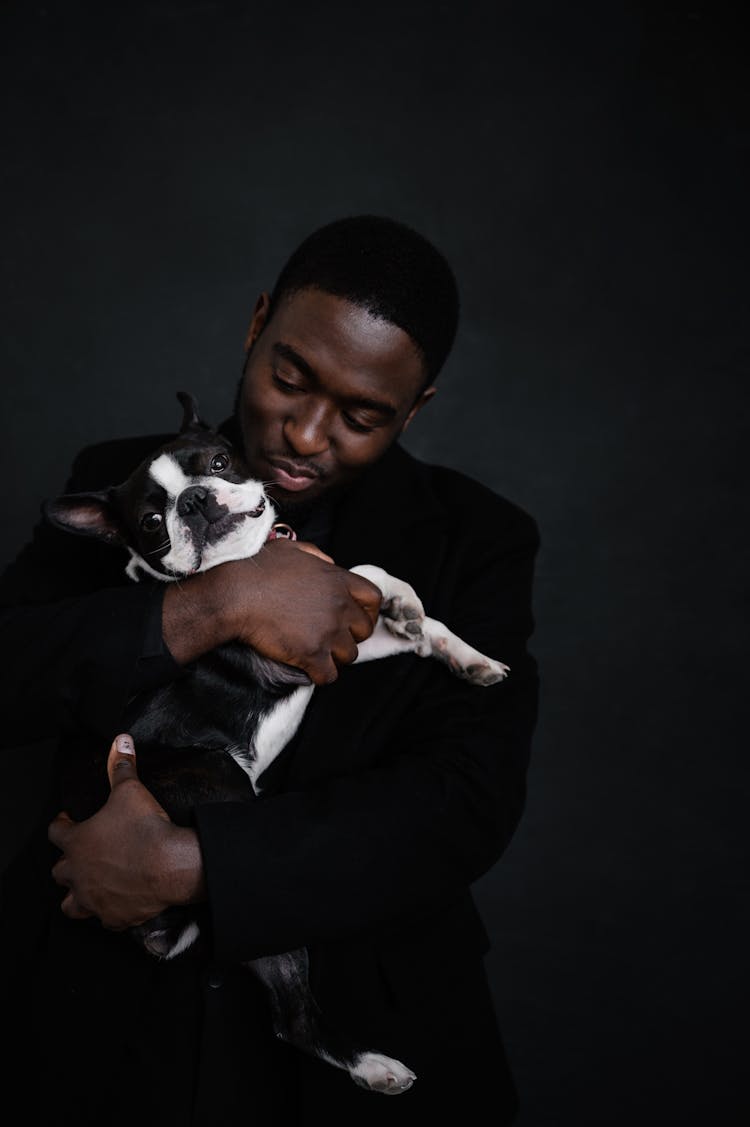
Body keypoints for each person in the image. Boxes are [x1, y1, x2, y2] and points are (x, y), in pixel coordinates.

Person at [0, 215, 540, 1125]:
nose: (305, 432)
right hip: (100, 1028)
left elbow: (464, 802)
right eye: (288, 379)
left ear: (416, 409)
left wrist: (197, 864)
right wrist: (218, 603)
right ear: (256, 325)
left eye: (363, 416)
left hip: (361, 1028)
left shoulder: (478, 542)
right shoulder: (119, 482)